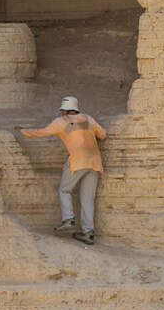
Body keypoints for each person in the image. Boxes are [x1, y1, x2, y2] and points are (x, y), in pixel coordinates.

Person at [17, 96, 106, 244]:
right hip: (95, 162)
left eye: (62, 110)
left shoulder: (61, 122)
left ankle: (68, 220)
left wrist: (23, 130)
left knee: (64, 190)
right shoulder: (89, 119)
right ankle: (88, 233)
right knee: (87, 199)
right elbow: (103, 135)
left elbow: (40, 132)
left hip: (78, 160)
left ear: (65, 110)